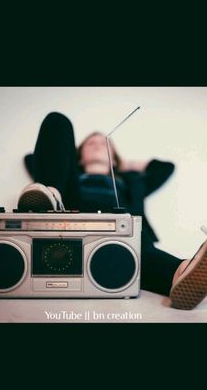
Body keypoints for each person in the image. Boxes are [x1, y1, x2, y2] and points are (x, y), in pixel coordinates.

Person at [18, 111, 207, 310]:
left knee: (137, 244)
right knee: (57, 120)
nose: (98, 146)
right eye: (91, 144)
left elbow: (165, 167)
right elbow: (34, 158)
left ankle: (181, 273)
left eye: (104, 144)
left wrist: (122, 163)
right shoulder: (70, 177)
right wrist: (67, 161)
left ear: (114, 158)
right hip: (72, 222)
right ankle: (51, 196)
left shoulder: (131, 181)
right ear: (78, 155)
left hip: (124, 235)